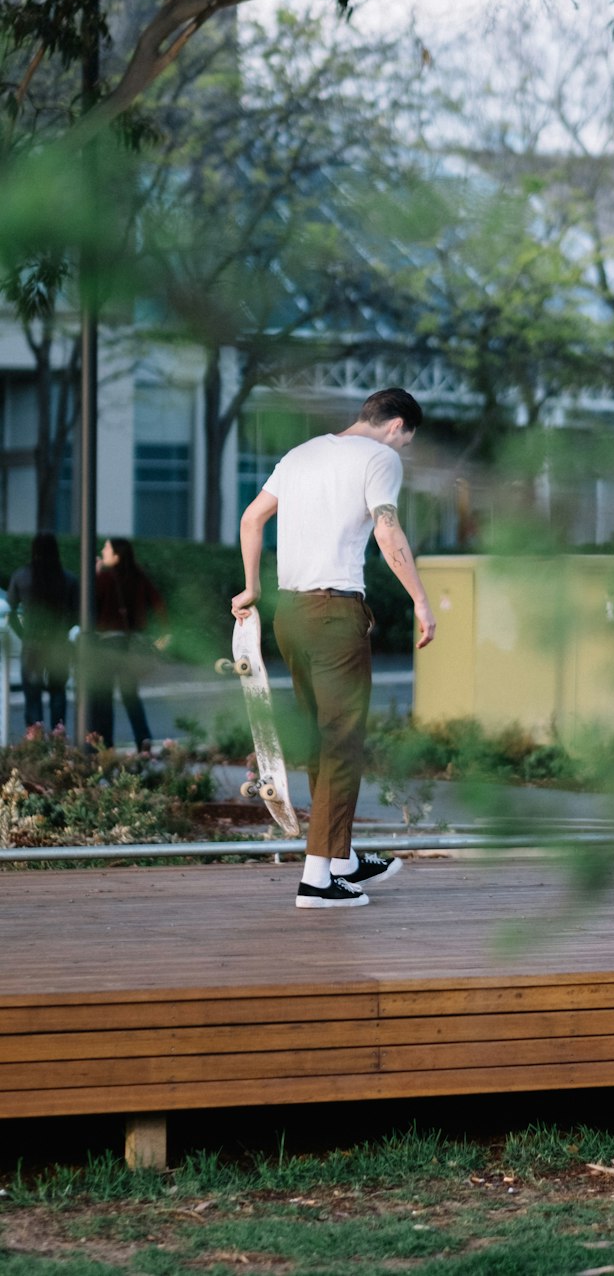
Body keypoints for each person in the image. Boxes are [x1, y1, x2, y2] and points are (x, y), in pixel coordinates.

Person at [232, 388, 436, 911]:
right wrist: (420, 599)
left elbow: (252, 519)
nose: (403, 452)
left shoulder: (300, 455)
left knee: (324, 743)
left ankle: (340, 860)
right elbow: (388, 532)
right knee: (343, 744)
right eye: (407, 442)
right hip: (335, 614)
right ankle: (316, 880)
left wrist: (252, 587)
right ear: (396, 426)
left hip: (290, 616)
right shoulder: (380, 457)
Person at [92, 537, 168, 750]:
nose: (103, 550)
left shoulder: (104, 578)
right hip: (132, 644)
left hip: (107, 644)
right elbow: (158, 603)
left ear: (116, 555)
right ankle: (143, 738)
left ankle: (105, 743)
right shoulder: (139, 577)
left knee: (104, 694)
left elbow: (90, 604)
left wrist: (96, 574)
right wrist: (162, 634)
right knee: (130, 694)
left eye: (106, 548)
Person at [7, 532, 79, 730]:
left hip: (32, 644)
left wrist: (23, 634)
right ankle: (58, 738)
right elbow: (77, 614)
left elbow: (10, 612)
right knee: (58, 694)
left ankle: (35, 739)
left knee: (32, 696)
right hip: (58, 643)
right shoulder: (68, 579)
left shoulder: (21, 576)